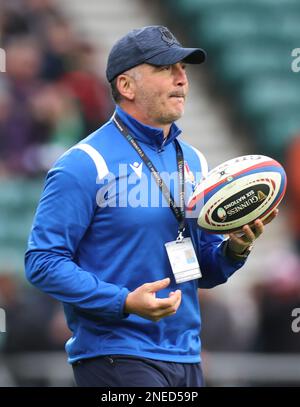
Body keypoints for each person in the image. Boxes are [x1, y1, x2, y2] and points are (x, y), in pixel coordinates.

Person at [25, 25, 278, 387]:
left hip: (186, 355)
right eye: (165, 69)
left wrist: (236, 249)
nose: (181, 79)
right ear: (126, 86)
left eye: (183, 69)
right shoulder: (84, 163)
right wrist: (124, 301)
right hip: (114, 355)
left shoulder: (194, 162)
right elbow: (42, 262)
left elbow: (202, 270)